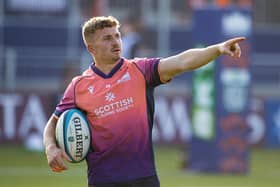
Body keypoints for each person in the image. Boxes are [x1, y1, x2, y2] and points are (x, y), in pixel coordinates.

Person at [43, 16, 245, 187]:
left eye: (117, 36)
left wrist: (217, 49)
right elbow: (52, 124)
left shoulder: (140, 69)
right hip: (102, 180)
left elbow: (182, 61)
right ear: (91, 48)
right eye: (107, 38)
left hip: (143, 179)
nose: (115, 42)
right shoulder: (79, 86)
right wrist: (51, 148)